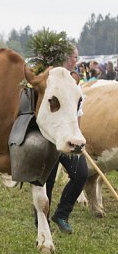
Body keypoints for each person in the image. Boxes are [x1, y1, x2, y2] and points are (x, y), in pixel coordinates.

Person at [38, 47, 88, 234]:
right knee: (46, 181)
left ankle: (61, 214)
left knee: (81, 173)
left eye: (76, 56)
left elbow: (78, 114)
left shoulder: (74, 83)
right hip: (49, 140)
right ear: (64, 58)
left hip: (70, 138)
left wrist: (78, 134)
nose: (75, 60)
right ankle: (42, 224)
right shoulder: (47, 80)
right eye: (74, 57)